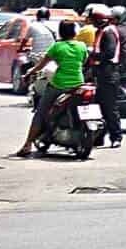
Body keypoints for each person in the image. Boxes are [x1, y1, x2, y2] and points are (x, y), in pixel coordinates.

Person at [13, 19, 88, 157]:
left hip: (59, 84)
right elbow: (83, 61)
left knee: (40, 113)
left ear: (61, 32)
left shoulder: (57, 47)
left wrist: (29, 73)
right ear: (74, 32)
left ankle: (27, 145)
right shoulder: (81, 46)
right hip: (78, 83)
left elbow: (41, 65)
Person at [83, 4, 124, 149]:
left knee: (110, 108)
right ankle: (98, 137)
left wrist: (94, 55)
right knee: (97, 107)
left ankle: (116, 137)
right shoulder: (100, 32)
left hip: (108, 74)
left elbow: (110, 53)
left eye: (93, 20)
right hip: (100, 74)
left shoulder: (109, 32)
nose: (91, 23)